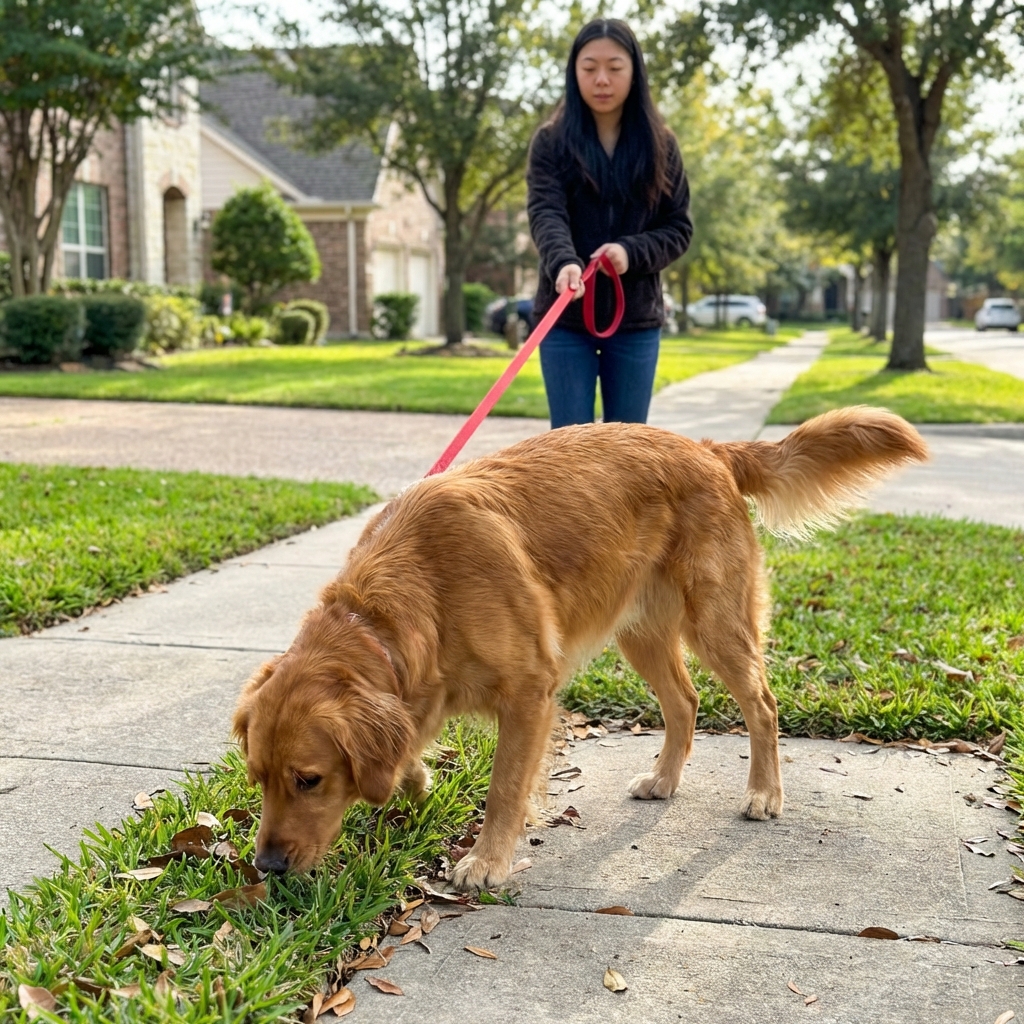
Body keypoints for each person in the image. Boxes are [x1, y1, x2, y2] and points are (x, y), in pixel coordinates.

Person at [527, 18, 693, 429]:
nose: (602, 79)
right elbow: (546, 212)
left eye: (615, 67)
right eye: (589, 68)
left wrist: (629, 252)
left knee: (629, 455)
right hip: (565, 317)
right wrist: (564, 262)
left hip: (635, 320)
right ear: (574, 72)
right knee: (567, 454)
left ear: (634, 71)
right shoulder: (550, 141)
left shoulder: (661, 145)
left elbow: (678, 227)